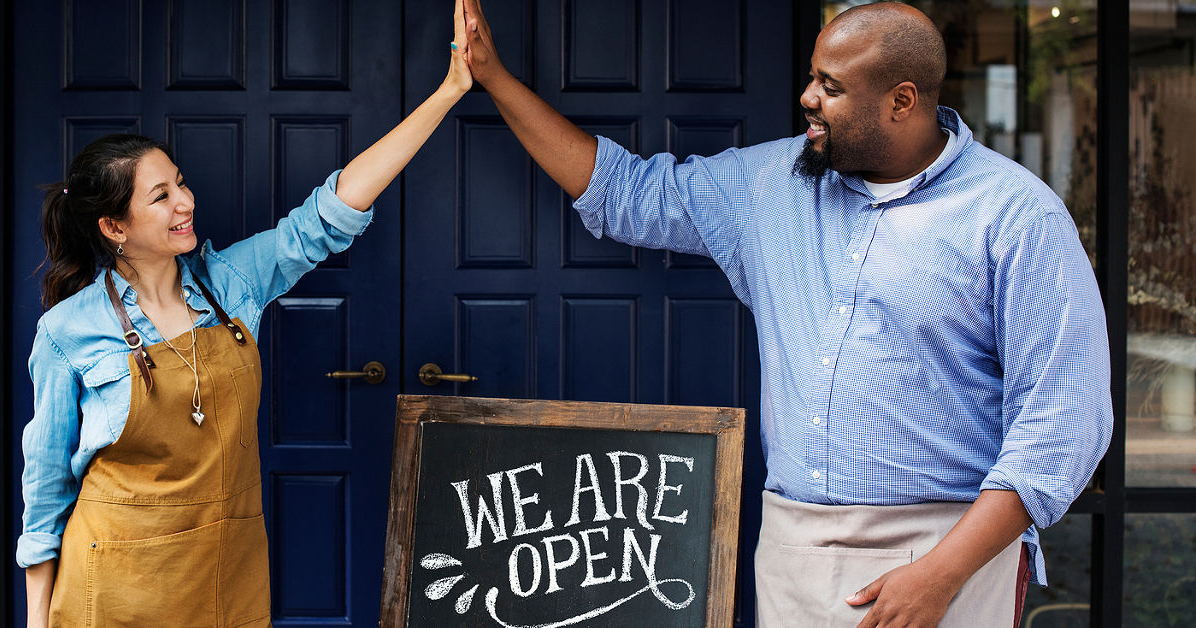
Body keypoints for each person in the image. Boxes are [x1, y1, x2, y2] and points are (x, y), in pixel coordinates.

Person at [457, 1, 1112, 626]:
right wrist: (494, 78)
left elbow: (1059, 432)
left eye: (830, 85)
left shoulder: (1017, 218)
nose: (806, 97)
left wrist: (941, 574)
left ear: (901, 101)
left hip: (949, 554)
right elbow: (625, 193)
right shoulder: (771, 184)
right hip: (795, 547)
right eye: (810, 77)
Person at [16, 2, 472, 625]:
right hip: (114, 591)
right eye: (162, 195)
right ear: (114, 226)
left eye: (180, 182)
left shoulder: (229, 284)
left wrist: (447, 93)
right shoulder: (67, 332)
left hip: (226, 574)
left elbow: (328, 216)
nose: (186, 201)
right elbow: (44, 499)